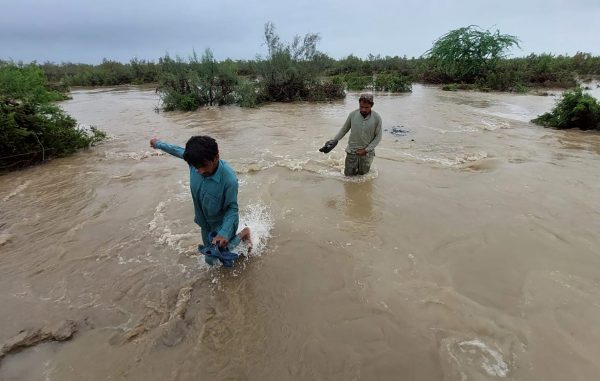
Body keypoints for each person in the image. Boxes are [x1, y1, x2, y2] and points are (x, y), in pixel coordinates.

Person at [150, 135, 251, 264]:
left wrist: (224, 233)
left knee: (213, 258)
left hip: (223, 223)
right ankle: (233, 241)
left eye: (203, 165)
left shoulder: (229, 180)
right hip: (204, 222)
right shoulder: (195, 162)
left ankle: (243, 233)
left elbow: (232, 209)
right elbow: (177, 150)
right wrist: (158, 143)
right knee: (211, 256)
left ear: (216, 157)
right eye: (196, 167)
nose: (200, 170)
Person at [321, 93, 382, 176]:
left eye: (366, 107)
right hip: (352, 152)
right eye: (361, 107)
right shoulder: (353, 115)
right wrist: (333, 141)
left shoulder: (377, 118)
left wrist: (366, 150)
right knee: (348, 177)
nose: (363, 109)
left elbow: (378, 137)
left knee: (363, 177)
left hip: (367, 154)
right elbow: (344, 129)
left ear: (372, 105)